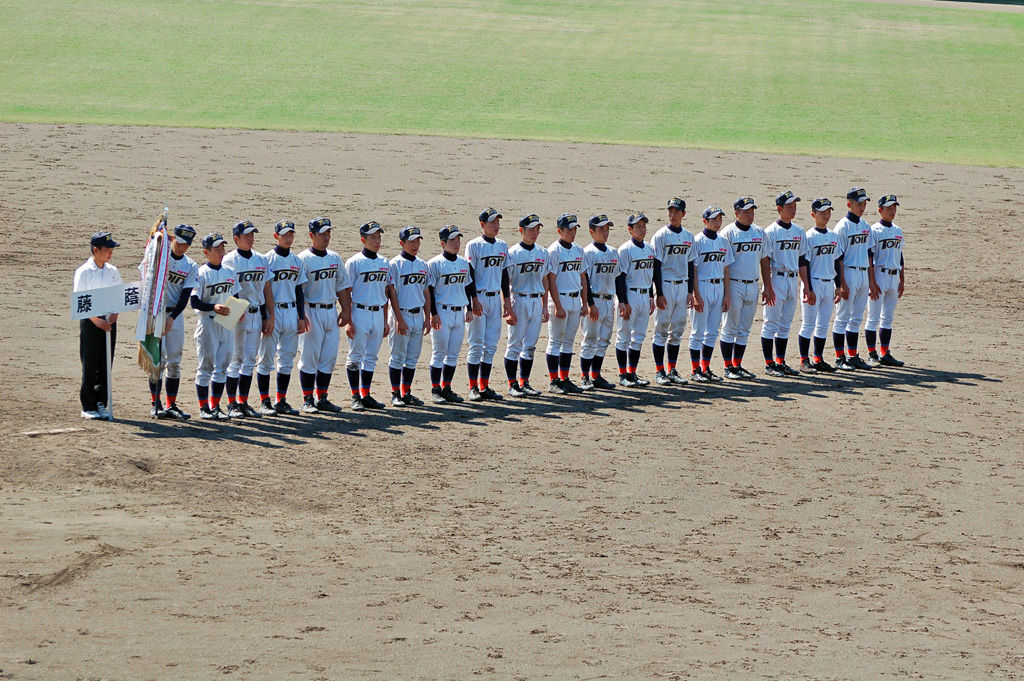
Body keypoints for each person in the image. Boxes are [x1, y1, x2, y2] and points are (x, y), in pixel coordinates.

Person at [340, 221, 405, 411]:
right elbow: (346, 292)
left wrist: (385, 321)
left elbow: (385, 292)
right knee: (355, 356)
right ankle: (354, 396)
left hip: (378, 313)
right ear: (363, 240)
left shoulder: (384, 262)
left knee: (371, 357)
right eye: (373, 238)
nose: (377, 241)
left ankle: (365, 394)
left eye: (379, 237)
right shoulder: (354, 262)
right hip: (359, 312)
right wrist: (349, 320)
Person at [254, 220, 308, 416]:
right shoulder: (267, 260)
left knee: (287, 359)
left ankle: (281, 400)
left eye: (291, 234)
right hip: (273, 313)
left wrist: (301, 317)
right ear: (275, 236)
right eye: (284, 234)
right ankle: (264, 401)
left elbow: (299, 289)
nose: (288, 237)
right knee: (266, 359)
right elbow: (261, 290)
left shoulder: (296, 261)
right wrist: (265, 316)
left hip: (291, 312)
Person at [223, 220, 274, 417]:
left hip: (256, 313)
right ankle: (231, 403)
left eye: (253, 234)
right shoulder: (229, 260)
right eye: (246, 235)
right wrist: (233, 312)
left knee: (250, 360)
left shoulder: (261, 259)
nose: (251, 238)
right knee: (235, 359)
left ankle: (243, 402)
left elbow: (266, 289)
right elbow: (226, 289)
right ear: (236, 238)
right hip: (237, 314)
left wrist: (268, 315)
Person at [296, 217, 347, 413]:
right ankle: (307, 399)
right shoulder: (303, 259)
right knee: (310, 356)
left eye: (328, 233)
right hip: (311, 310)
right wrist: (301, 316)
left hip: (331, 311)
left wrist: (346, 311)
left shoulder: (334, 258)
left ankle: (322, 397)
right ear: (311, 235)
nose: (326, 237)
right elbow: (298, 290)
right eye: (322, 233)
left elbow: (342, 285)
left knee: (328, 357)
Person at [760, 191, 811, 377]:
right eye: (789, 206)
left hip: (792, 280)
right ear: (779, 209)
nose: (793, 209)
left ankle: (780, 361)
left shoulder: (799, 231)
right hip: (776, 278)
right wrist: (768, 287)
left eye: (795, 206)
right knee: (770, 323)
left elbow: (802, 260)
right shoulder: (770, 232)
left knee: (785, 324)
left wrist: (806, 286)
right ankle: (769, 364)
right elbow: (765, 261)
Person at [149, 224, 198, 420]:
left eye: (186, 244)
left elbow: (185, 295)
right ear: (172, 239)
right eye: (179, 242)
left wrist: (172, 318)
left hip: (174, 316)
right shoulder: (160, 258)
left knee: (174, 362)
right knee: (157, 361)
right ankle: (156, 403)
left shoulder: (190, 266)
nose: (182, 247)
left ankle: (171, 404)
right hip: (155, 313)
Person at [718, 197, 770, 379]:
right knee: (730, 327)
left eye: (752, 211)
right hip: (734, 284)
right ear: (736, 213)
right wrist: (725, 292)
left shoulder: (760, 232)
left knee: (745, 328)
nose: (750, 215)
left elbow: (765, 260)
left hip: (753, 284)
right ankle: (727, 366)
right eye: (746, 211)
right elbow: (723, 265)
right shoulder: (728, 233)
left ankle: (737, 365)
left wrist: (767, 286)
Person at [427, 225, 480, 404]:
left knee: (453, 354)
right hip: (442, 312)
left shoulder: (463, 263)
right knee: (439, 353)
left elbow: (467, 286)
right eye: (452, 240)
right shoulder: (434, 264)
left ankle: (446, 387)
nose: (456, 243)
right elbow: (431, 291)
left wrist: (470, 309)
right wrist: (433, 313)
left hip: (459, 312)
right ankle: (435, 389)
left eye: (458, 239)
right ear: (443, 243)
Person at [651, 197, 700, 385]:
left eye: (677, 211)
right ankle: (659, 371)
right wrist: (659, 292)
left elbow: (690, 264)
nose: (673, 214)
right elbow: (656, 266)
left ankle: (671, 369)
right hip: (666, 285)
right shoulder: (661, 235)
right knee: (661, 328)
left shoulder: (688, 236)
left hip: (682, 286)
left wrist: (690, 292)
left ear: (683, 214)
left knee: (678, 329)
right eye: (670, 211)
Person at [190, 233, 239, 420]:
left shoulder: (229, 271)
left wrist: (238, 312)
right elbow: (194, 301)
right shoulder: (201, 273)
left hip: (226, 324)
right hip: (208, 323)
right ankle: (204, 408)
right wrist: (213, 307)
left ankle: (215, 406)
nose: (221, 252)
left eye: (222, 248)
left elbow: (236, 296)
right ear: (206, 251)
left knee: (223, 367)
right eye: (216, 249)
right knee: (206, 367)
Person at [74, 231, 123, 420]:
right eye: (107, 249)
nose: (110, 252)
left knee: (105, 362)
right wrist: (96, 320)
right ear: (96, 250)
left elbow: (119, 295)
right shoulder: (84, 272)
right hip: (91, 321)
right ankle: (88, 405)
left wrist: (115, 314)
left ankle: (101, 402)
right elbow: (80, 301)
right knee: (90, 363)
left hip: (109, 322)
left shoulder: (112, 271)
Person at [503, 214, 553, 397]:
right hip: (519, 299)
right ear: (521, 230)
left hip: (536, 301)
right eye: (531, 229)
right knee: (515, 344)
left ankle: (525, 382)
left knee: (530, 345)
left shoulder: (542, 252)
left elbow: (545, 279)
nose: (535, 233)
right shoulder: (513, 253)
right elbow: (505, 282)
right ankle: (512, 383)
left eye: (537, 229)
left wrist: (545, 305)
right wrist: (507, 307)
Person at [464, 208, 511, 401]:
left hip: (495, 299)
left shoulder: (502, 245)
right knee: (476, 345)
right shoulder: (473, 245)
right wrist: (473, 300)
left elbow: (504, 274)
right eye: (492, 222)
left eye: (497, 222)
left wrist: (506, 300)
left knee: (491, 344)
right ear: (482, 225)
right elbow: (469, 275)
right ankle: (473, 388)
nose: (496, 225)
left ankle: (484, 386)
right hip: (480, 298)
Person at [832, 187, 880, 370]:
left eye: (864, 203)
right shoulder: (842, 226)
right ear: (849, 204)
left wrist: (872, 281)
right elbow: (838, 257)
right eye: (859, 204)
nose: (862, 207)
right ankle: (839, 357)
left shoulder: (865, 226)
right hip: (849, 273)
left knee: (857, 317)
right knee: (842, 316)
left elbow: (869, 254)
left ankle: (852, 356)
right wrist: (842, 283)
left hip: (863, 273)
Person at [387, 226, 433, 406]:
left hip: (417, 316)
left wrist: (427, 317)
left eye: (418, 240)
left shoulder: (423, 264)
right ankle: (395, 393)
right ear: (402, 243)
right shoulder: (395, 264)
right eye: (411, 241)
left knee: (412, 358)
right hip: (402, 314)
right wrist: (399, 319)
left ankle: (406, 392)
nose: (415, 245)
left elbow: (426, 292)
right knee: (397, 357)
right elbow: (392, 293)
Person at [797, 199, 844, 372]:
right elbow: (805, 263)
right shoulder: (809, 236)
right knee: (808, 324)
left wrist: (838, 286)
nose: (826, 215)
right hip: (813, 283)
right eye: (822, 212)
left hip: (828, 283)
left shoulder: (833, 236)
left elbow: (837, 262)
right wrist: (808, 288)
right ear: (813, 215)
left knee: (823, 324)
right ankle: (804, 360)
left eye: (828, 211)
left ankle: (818, 358)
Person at [545, 213, 589, 394]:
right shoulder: (554, 250)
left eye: (574, 229)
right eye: (569, 230)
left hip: (574, 299)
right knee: (555, 341)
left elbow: (583, 278)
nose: (572, 233)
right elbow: (551, 280)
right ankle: (554, 380)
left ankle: (565, 378)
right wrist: (557, 305)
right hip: (560, 299)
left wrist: (584, 303)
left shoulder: (579, 250)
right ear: (559, 231)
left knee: (569, 342)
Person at [688, 207, 733, 382]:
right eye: (714, 219)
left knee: (713, 331)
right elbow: (694, 270)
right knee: (698, 331)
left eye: (720, 218)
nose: (718, 221)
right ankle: (695, 369)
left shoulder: (723, 241)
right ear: (704, 221)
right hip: (703, 287)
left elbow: (726, 268)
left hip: (718, 286)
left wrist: (727, 294)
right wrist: (696, 294)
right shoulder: (697, 241)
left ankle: (705, 367)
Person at [614, 212, 656, 386]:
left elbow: (650, 275)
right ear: (630, 229)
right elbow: (620, 277)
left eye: (644, 226)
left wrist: (651, 296)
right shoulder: (625, 250)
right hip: (629, 294)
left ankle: (632, 373)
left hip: (644, 295)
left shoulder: (649, 248)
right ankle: (623, 374)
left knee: (638, 336)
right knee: (624, 336)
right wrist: (623, 301)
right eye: (638, 226)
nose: (642, 229)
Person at [579, 214, 621, 390]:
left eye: (607, 229)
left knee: (604, 339)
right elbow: (584, 280)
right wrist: (589, 304)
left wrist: (622, 301)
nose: (605, 232)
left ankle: (596, 375)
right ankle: (584, 377)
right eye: (601, 229)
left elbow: (617, 278)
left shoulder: (612, 252)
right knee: (590, 339)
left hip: (609, 299)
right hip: (594, 299)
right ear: (591, 231)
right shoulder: (587, 252)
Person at [865, 194, 907, 367]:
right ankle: (872, 354)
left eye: (894, 208)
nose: (892, 211)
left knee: (887, 318)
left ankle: (885, 353)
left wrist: (902, 280)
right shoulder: (874, 230)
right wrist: (872, 281)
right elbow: (870, 256)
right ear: (880, 210)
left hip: (893, 276)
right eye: (889, 208)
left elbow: (900, 256)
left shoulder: (898, 230)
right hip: (879, 275)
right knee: (873, 317)